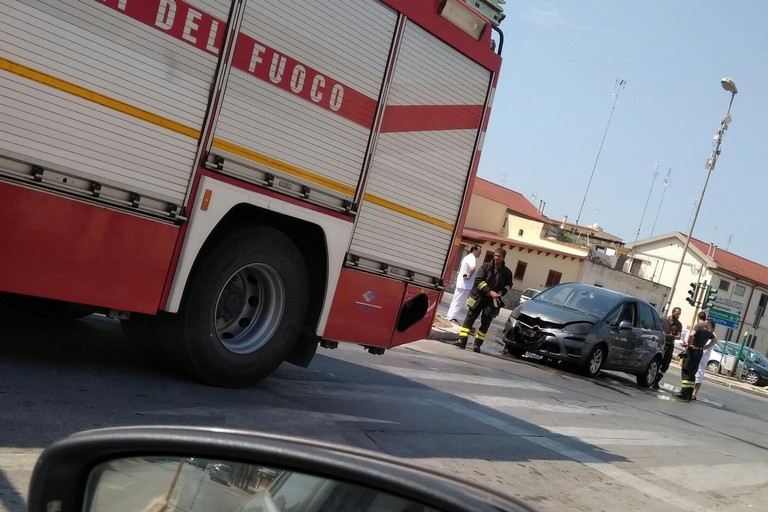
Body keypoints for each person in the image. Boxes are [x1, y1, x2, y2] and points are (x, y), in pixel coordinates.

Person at [454, 248, 513, 353]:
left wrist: (502, 292)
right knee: (470, 318)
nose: (496, 258)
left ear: (503, 258)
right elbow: (478, 281)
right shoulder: (485, 266)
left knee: (485, 323)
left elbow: (509, 285)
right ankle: (462, 340)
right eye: (495, 255)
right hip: (478, 297)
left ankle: (477, 345)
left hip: (491, 302)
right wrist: (489, 291)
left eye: (499, 256)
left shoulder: (507, 272)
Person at [677, 312, 712, 401]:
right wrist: (705, 347)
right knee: (693, 372)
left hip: (692, 351)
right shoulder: (708, 329)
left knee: (686, 370)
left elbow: (692, 334)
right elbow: (714, 340)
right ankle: (689, 394)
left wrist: (688, 345)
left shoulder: (698, 326)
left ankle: (684, 392)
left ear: (698, 317)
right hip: (700, 352)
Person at [445, 245, 481, 323]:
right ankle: (452, 317)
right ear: (474, 250)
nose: (480, 253)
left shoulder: (466, 257)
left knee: (455, 300)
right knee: (459, 301)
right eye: (479, 251)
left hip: (461, 283)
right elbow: (473, 267)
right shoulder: (472, 258)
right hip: (465, 285)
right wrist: (469, 275)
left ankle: (449, 315)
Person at [651, 306, 683, 390]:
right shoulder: (663, 320)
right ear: (673, 312)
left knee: (666, 363)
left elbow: (679, 336)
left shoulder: (678, 324)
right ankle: (652, 377)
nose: (678, 315)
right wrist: (665, 335)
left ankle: (657, 379)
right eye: (677, 313)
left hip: (670, 344)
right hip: (661, 343)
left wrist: (674, 336)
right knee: (657, 360)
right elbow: (657, 329)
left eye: (679, 314)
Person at [692, 319, 718, 400]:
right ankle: (691, 391)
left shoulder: (711, 334)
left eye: (708, 324)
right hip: (699, 354)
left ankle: (694, 393)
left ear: (711, 326)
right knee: (694, 373)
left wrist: (704, 347)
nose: (705, 325)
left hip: (704, 356)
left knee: (699, 374)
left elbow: (713, 341)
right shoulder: (705, 331)